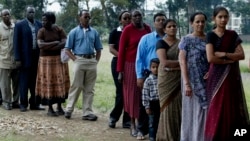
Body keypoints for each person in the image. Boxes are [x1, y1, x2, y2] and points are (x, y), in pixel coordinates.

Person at [205, 6, 249, 141]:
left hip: (231, 77)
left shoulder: (232, 35)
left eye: (225, 17)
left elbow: (241, 55)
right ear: (214, 19)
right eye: (220, 17)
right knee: (217, 107)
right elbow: (211, 58)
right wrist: (229, 60)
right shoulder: (210, 35)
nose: (223, 19)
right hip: (216, 77)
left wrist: (224, 54)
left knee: (232, 105)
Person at [117, 10, 151, 138]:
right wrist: (120, 71)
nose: (137, 18)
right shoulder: (127, 30)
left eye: (139, 15)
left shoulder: (147, 28)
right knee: (132, 94)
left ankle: (144, 124)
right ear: (131, 18)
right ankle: (132, 123)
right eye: (134, 16)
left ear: (142, 16)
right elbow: (121, 51)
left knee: (144, 94)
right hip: (130, 65)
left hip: (145, 65)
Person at [64, 10, 103, 121]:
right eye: (85, 17)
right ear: (79, 17)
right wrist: (75, 60)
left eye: (89, 17)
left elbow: (99, 49)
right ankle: (69, 109)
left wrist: (96, 61)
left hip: (91, 60)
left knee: (89, 88)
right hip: (79, 60)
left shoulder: (94, 32)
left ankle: (87, 112)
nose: (87, 19)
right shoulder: (74, 32)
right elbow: (67, 49)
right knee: (76, 86)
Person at [135, 12, 167, 139]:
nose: (161, 22)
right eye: (158, 20)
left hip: (165, 74)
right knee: (145, 103)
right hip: (148, 74)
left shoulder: (169, 38)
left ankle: (160, 131)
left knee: (162, 103)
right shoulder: (146, 38)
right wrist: (139, 76)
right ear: (154, 23)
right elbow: (139, 58)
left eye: (163, 20)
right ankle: (141, 130)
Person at [178, 12, 209, 141]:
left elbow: (213, 59)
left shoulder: (209, 39)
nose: (200, 24)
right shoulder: (186, 39)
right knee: (191, 111)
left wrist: (211, 71)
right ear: (192, 23)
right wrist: (186, 83)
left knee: (205, 111)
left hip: (207, 81)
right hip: (190, 80)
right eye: (197, 21)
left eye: (202, 21)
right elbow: (182, 61)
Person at [36, 12, 70, 116]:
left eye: (45, 20)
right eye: (42, 20)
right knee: (49, 84)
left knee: (59, 83)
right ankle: (50, 109)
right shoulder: (41, 31)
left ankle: (59, 107)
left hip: (58, 60)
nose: (43, 22)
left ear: (51, 21)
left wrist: (50, 46)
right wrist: (55, 43)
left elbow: (65, 42)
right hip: (46, 62)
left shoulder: (59, 29)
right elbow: (40, 45)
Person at [14, 5, 44, 112]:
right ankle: (23, 104)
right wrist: (17, 58)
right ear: (25, 13)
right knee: (24, 82)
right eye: (29, 12)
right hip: (24, 58)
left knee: (34, 82)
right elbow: (16, 43)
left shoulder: (39, 24)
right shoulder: (19, 25)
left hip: (36, 57)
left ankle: (34, 103)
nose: (31, 14)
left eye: (33, 12)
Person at [156, 19, 181, 141]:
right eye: (169, 26)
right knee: (167, 108)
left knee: (179, 107)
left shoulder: (181, 43)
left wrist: (177, 66)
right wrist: (181, 64)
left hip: (179, 81)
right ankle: (165, 137)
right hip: (166, 81)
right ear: (165, 29)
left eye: (174, 26)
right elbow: (164, 62)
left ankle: (178, 136)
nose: (172, 28)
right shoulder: (161, 43)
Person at [108, 11, 131, 128]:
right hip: (117, 63)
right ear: (120, 20)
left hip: (131, 65)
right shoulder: (115, 32)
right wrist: (123, 57)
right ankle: (113, 117)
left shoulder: (133, 31)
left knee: (129, 92)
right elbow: (111, 49)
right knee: (121, 91)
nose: (127, 20)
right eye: (125, 18)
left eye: (129, 18)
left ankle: (127, 120)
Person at [0, 9, 20, 110]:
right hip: (4, 60)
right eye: (4, 15)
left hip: (15, 60)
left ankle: (16, 101)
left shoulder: (15, 26)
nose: (7, 16)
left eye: (8, 14)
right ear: (1, 17)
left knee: (17, 83)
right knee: (5, 84)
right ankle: (6, 102)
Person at [142, 58, 160, 141]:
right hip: (152, 103)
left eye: (157, 67)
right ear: (150, 68)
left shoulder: (162, 78)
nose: (155, 69)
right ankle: (152, 137)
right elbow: (145, 94)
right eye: (153, 67)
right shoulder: (148, 80)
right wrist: (147, 107)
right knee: (152, 122)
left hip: (161, 104)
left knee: (160, 122)